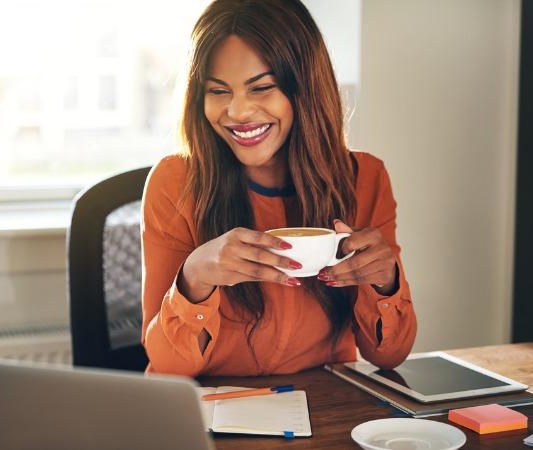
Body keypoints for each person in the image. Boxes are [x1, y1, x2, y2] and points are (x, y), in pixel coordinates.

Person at [141, 0, 416, 377]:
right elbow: (169, 368)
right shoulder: (174, 183)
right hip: (218, 417)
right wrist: (196, 276)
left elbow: (389, 356)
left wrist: (386, 281)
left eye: (261, 88)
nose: (236, 112)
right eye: (218, 91)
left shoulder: (364, 177)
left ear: (305, 88)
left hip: (325, 412)